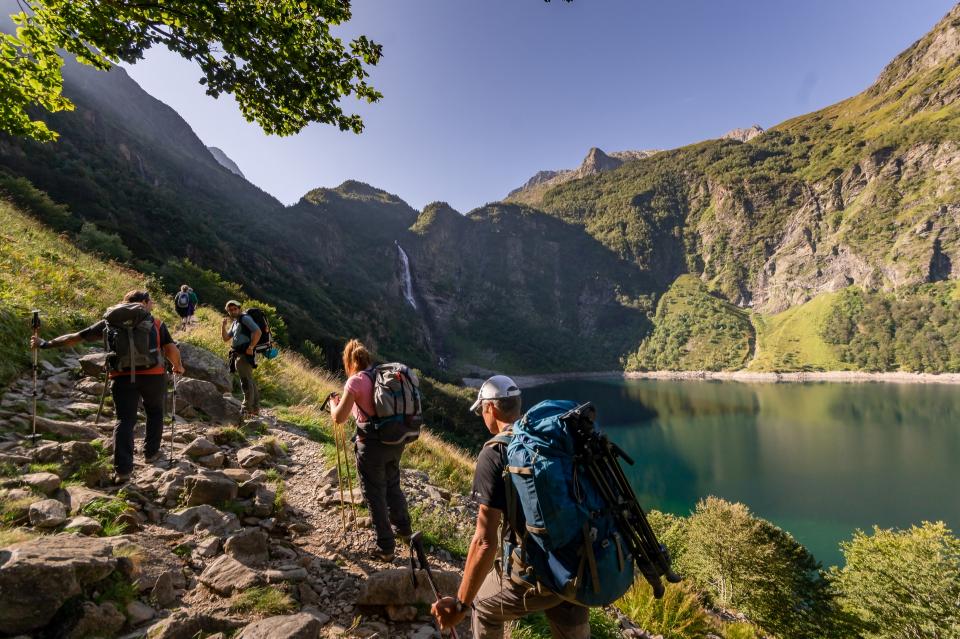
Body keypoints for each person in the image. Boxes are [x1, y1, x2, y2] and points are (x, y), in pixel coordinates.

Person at [432, 375, 589, 639]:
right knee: (569, 616)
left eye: (482, 409)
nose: (483, 415)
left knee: (482, 606)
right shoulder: (549, 439)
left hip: (538, 574)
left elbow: (484, 541)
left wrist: (461, 603)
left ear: (491, 408)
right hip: (577, 563)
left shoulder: (493, 454)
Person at [30, 290, 184, 482]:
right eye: (151, 302)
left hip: (120, 376)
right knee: (154, 412)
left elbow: (77, 337)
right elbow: (170, 349)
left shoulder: (110, 322)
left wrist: (45, 344)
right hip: (152, 375)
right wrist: (178, 366)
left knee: (125, 419)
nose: (152, 305)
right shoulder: (155, 322)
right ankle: (151, 453)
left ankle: (123, 471)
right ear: (144, 302)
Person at [329, 339, 412, 561]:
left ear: (350, 361)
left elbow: (339, 417)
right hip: (396, 440)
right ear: (368, 359)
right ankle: (404, 530)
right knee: (393, 484)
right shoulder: (382, 376)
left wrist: (332, 404)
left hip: (371, 444)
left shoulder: (355, 382)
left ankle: (385, 547)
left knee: (374, 493)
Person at [221, 300, 261, 418]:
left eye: (235, 309)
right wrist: (223, 326)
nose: (233, 311)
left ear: (239, 308)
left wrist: (251, 347)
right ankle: (255, 408)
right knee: (249, 380)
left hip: (245, 353)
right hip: (238, 353)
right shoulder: (235, 322)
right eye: (230, 310)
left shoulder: (245, 319)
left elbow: (257, 331)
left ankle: (246, 408)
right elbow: (226, 338)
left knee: (245, 381)